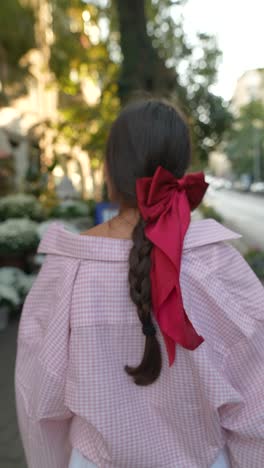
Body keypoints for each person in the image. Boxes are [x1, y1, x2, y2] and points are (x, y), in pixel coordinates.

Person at [15, 100, 264, 468]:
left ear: (108, 172)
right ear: (182, 169)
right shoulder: (219, 266)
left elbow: (39, 400)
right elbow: (256, 402)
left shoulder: (67, 271)